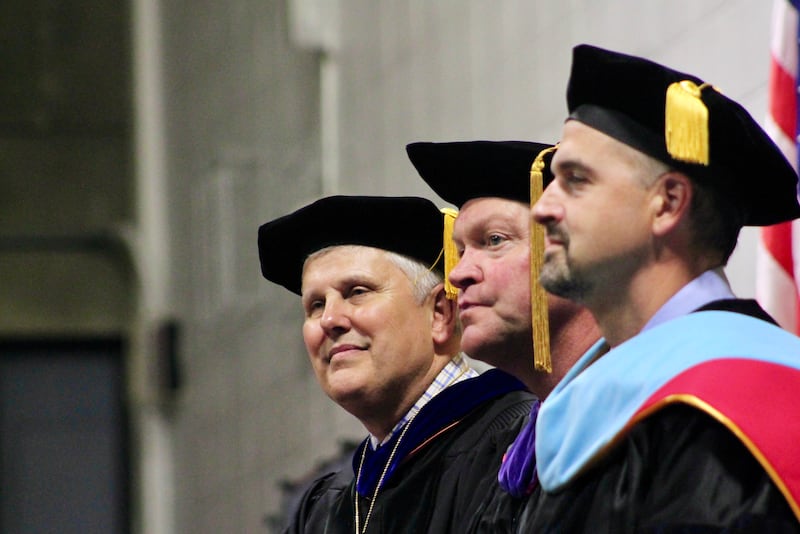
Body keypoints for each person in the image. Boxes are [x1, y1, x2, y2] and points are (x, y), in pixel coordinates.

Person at [526, 43, 800, 531]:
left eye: (575, 180)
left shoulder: (727, 407)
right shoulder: (592, 402)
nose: (542, 208)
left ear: (668, 203)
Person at [258, 195, 535, 533]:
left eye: (357, 291)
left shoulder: (516, 448)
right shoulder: (322, 509)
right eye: (315, 304)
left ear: (440, 314)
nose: (329, 319)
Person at [407, 140, 601, 532]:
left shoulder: (648, 420)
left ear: (577, 252)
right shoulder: (513, 461)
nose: (458, 274)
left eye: (493, 241)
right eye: (460, 251)